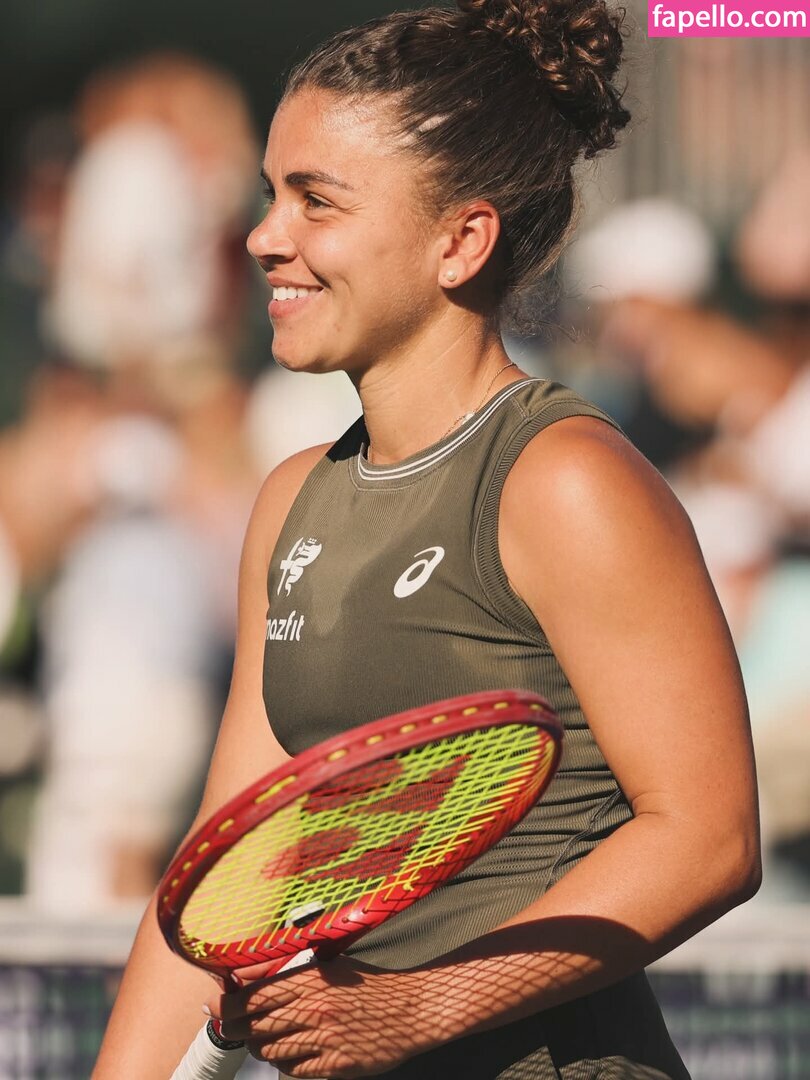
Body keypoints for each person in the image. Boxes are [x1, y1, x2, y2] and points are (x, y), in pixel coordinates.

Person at [93, 2, 761, 1077]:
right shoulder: (292, 501)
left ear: (460, 241)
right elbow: (227, 874)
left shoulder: (565, 481)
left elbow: (708, 837)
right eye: (270, 194)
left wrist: (420, 1006)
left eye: (316, 200)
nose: (265, 236)